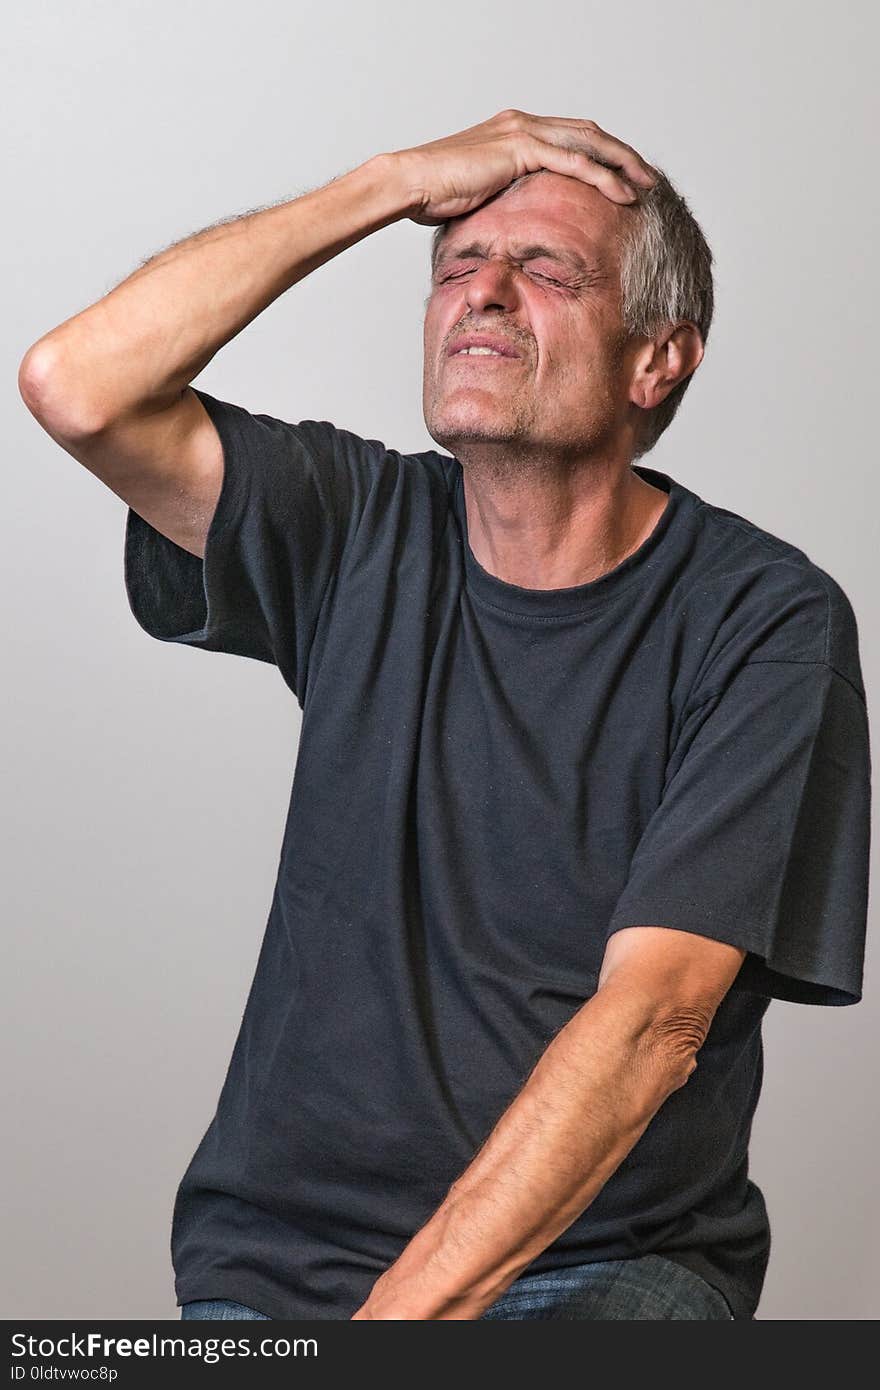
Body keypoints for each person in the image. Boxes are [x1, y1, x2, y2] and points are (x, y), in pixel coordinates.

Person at [19, 110, 871, 1322]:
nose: (482, 294)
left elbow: (653, 1021)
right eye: (455, 266)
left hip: (604, 1259)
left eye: (543, 271)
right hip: (279, 1264)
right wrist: (388, 182)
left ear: (657, 360)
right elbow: (77, 384)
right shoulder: (357, 525)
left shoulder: (764, 620)